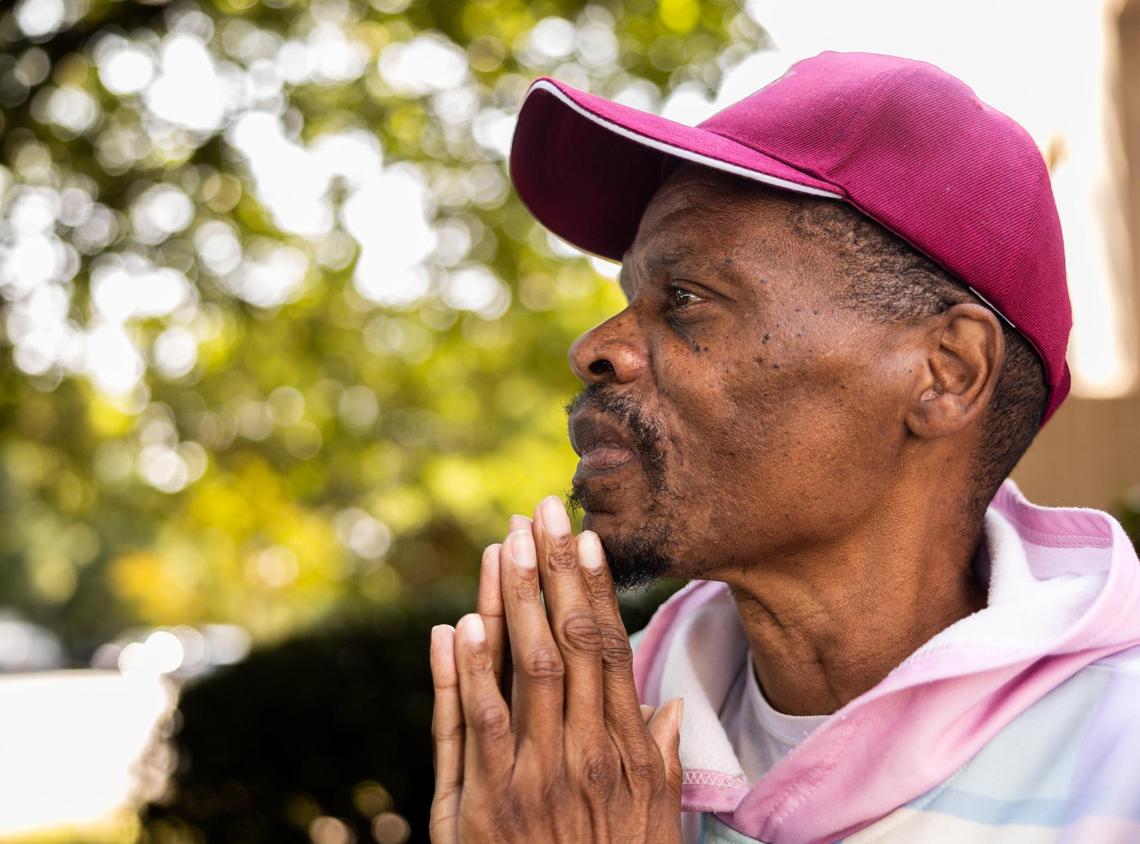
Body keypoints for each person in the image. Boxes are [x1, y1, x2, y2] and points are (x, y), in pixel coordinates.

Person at [428, 51, 1140, 843]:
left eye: (687, 299)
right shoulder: (575, 746)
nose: (595, 347)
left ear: (947, 373)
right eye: (628, 297)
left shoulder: (1120, 757)